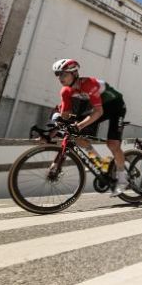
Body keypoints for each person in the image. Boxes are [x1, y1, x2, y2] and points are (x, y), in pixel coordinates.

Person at [52, 59, 128, 197]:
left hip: (116, 106)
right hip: (97, 108)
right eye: (58, 75)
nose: (60, 78)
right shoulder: (65, 91)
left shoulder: (89, 84)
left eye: (63, 74)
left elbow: (98, 112)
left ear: (74, 73)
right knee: (77, 137)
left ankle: (122, 179)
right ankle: (101, 163)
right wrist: (52, 129)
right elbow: (65, 115)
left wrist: (79, 125)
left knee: (113, 144)